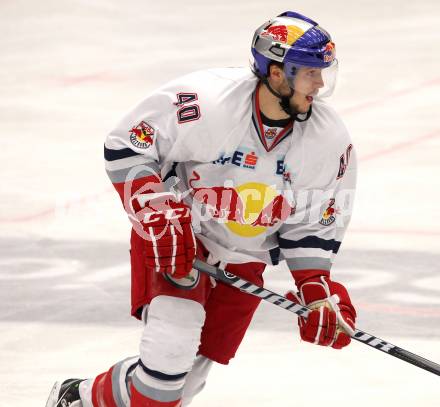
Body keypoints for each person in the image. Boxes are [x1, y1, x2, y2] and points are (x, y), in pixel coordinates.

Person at [46, 11, 357, 407]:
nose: (319, 83)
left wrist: (314, 286)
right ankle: (80, 398)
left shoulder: (327, 138)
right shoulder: (206, 102)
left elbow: (314, 218)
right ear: (277, 73)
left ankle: (82, 396)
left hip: (245, 259)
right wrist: (156, 212)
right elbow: (129, 144)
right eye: (310, 72)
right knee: (164, 376)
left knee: (183, 386)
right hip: (180, 243)